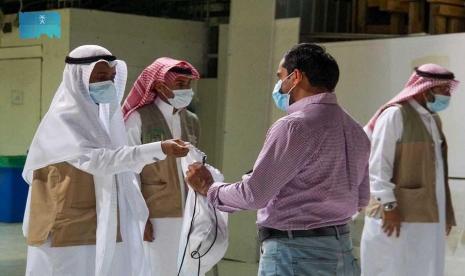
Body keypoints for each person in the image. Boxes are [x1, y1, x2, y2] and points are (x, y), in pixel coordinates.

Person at [186, 43, 370, 276]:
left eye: (280, 77)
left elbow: (255, 195)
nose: (278, 86)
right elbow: (361, 199)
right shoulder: (356, 130)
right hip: (341, 249)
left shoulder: (294, 126)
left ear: (296, 77)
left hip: (294, 253)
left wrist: (209, 188)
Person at [22, 45, 189, 276]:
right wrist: (159, 148)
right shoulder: (63, 119)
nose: (108, 84)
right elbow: (100, 161)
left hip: (99, 222)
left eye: (111, 78)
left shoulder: (103, 121)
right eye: (100, 77)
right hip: (64, 227)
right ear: (78, 77)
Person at [361, 64, 459, 276]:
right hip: (394, 217)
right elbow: (378, 166)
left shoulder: (433, 119)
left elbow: (439, 172)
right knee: (391, 269)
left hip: (428, 218)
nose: (448, 94)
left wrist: (446, 213)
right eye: (444, 89)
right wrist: (389, 206)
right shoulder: (395, 115)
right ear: (426, 90)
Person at [122, 57, 201, 276]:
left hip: (189, 213)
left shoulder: (191, 120)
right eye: (180, 84)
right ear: (159, 86)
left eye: (188, 84)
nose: (186, 90)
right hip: (155, 214)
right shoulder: (138, 118)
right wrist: (139, 216)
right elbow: (127, 169)